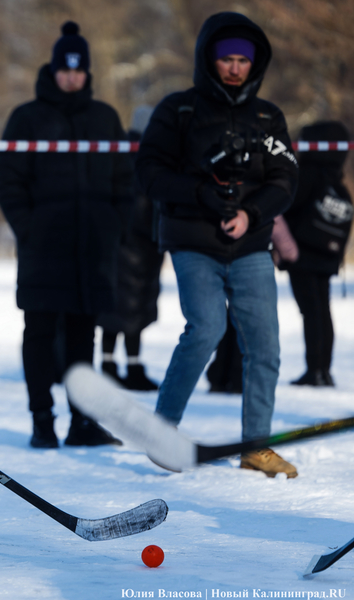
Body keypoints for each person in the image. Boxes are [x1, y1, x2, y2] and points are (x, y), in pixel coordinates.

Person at [136, 12, 300, 478]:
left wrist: (251, 213)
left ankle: (257, 447)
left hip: (250, 245)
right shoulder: (179, 110)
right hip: (193, 241)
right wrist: (199, 193)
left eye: (242, 60)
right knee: (206, 328)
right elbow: (149, 172)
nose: (234, 68)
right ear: (209, 59)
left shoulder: (269, 117)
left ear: (254, 64)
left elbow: (286, 179)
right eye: (225, 58)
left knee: (265, 345)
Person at [0, 21, 132, 449]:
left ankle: (81, 422)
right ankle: (42, 420)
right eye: (65, 69)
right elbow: (8, 181)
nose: (72, 76)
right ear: (53, 70)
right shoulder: (27, 118)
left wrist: (112, 225)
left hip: (92, 249)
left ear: (87, 73)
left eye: (79, 70)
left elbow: (125, 181)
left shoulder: (105, 117)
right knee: (38, 333)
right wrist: (30, 228)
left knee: (81, 338)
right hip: (43, 249)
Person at [279, 121, 352, 387]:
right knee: (322, 310)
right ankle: (323, 369)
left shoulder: (307, 174)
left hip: (303, 254)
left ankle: (314, 371)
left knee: (311, 312)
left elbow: (288, 204)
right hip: (326, 255)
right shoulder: (335, 178)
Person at [97, 105, 164, 391]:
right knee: (133, 309)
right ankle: (129, 366)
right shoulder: (148, 156)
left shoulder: (120, 151)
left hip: (123, 243)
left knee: (117, 310)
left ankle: (110, 364)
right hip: (139, 244)